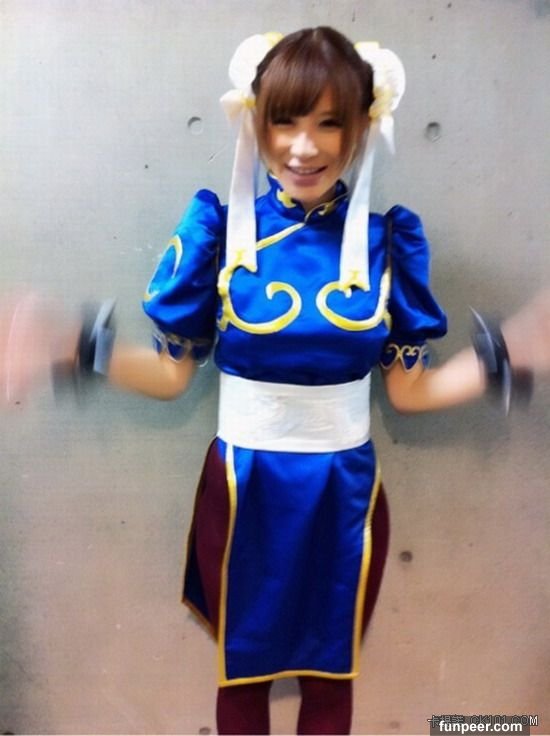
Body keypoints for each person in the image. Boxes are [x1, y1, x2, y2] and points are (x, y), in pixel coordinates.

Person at [0, 25, 545, 736]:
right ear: (256, 122)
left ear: (362, 128)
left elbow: (410, 391)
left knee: (331, 677)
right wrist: (69, 345)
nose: (304, 146)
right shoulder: (220, 235)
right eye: (285, 120)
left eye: (329, 123)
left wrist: (508, 353)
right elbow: (170, 375)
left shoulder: (387, 244)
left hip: (344, 492)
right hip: (242, 491)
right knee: (242, 674)